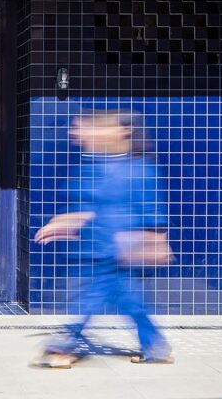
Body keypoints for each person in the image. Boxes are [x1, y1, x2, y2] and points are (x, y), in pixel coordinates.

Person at [33, 109, 173, 368]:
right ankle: (156, 346)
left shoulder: (139, 169)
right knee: (131, 302)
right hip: (96, 248)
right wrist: (66, 222)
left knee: (89, 299)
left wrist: (157, 240)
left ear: (122, 132)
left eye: (94, 128)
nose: (81, 133)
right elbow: (88, 206)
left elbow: (153, 212)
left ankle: (62, 345)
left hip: (118, 249)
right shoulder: (93, 165)